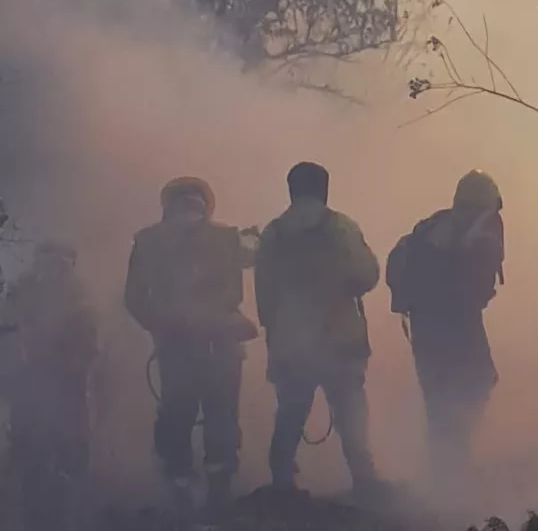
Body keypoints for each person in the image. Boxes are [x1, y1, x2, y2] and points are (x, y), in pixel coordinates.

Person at [124, 177, 257, 511]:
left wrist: (161, 326)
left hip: (175, 347)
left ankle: (179, 490)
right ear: (206, 204)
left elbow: (134, 298)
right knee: (222, 415)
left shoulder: (147, 240)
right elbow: (256, 255)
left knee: (176, 415)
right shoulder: (228, 237)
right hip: (222, 344)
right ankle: (218, 494)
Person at [254, 162, 384, 498]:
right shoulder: (340, 225)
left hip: (290, 341)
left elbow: (264, 293)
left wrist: (277, 331)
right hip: (340, 338)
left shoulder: (273, 232)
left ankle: (281, 480)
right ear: (324, 188)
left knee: (290, 413)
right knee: (351, 411)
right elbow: (367, 274)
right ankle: (364, 479)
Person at [385, 169, 505, 480]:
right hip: (457, 327)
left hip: (426, 330)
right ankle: (449, 476)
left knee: (442, 400)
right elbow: (476, 290)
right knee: (469, 388)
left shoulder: (433, 227)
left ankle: (446, 472)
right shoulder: (475, 232)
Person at [4, 240, 97, 531]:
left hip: (68, 379)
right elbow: (7, 332)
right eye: (47, 261)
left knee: (72, 442)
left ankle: (72, 502)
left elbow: (88, 342)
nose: (52, 268)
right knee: (28, 445)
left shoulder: (80, 297)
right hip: (27, 380)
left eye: (60, 262)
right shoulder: (20, 292)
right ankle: (32, 509)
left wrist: (74, 360)